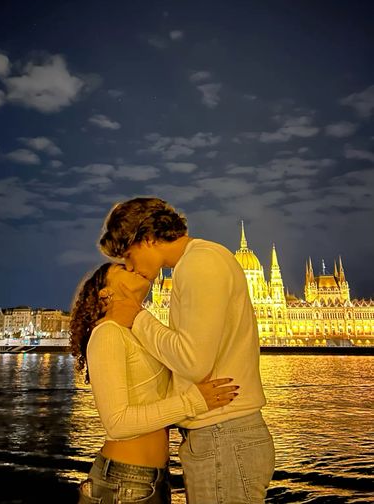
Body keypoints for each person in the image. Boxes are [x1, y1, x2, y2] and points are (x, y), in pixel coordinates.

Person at [99, 197, 275, 504]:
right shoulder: (203, 260)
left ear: (148, 239)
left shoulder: (199, 264)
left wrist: (138, 318)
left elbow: (193, 363)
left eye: (128, 255)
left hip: (223, 433)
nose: (129, 266)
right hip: (221, 433)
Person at [69, 261, 239, 504]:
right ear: (105, 293)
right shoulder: (107, 333)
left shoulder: (136, 332)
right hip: (122, 482)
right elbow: (116, 423)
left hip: (152, 478)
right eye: (125, 270)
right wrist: (194, 402)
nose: (136, 268)